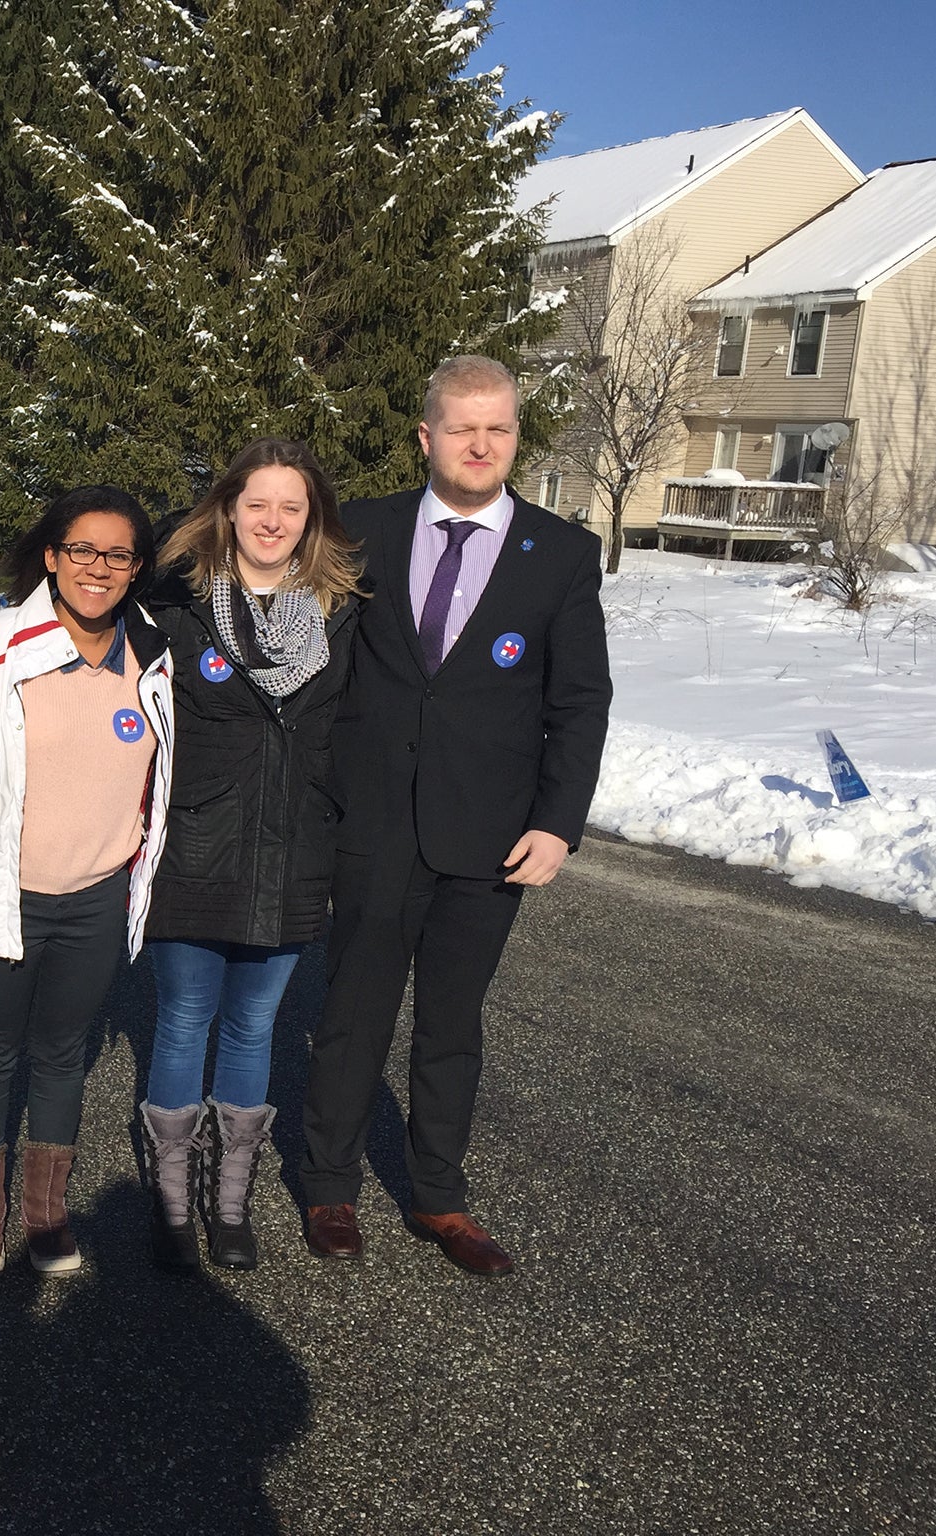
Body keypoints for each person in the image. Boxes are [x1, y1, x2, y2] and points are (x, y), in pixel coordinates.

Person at [298, 355, 611, 1276]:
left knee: (451, 1024)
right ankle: (329, 1186)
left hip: (490, 837)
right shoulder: (362, 533)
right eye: (464, 428)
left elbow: (579, 700)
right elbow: (319, 669)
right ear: (426, 436)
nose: (483, 445)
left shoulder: (558, 553)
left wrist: (558, 823)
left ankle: (438, 1196)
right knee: (352, 1014)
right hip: (376, 828)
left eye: (501, 429)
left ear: (517, 436)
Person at [138, 438, 363, 1272]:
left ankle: (229, 1200)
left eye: (290, 507)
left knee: (253, 1026)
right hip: (195, 850)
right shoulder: (176, 608)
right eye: (256, 503)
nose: (272, 521)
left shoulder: (343, 612)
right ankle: (169, 1199)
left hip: (294, 855)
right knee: (184, 1021)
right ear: (229, 508)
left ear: (312, 522)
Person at [0, 486, 174, 1276]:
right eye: (82, 549)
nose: (98, 568)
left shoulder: (152, 659)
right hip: (5, 896)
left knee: (61, 1053)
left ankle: (46, 1211)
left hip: (94, 901)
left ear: (137, 568)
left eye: (118, 555)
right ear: (51, 555)